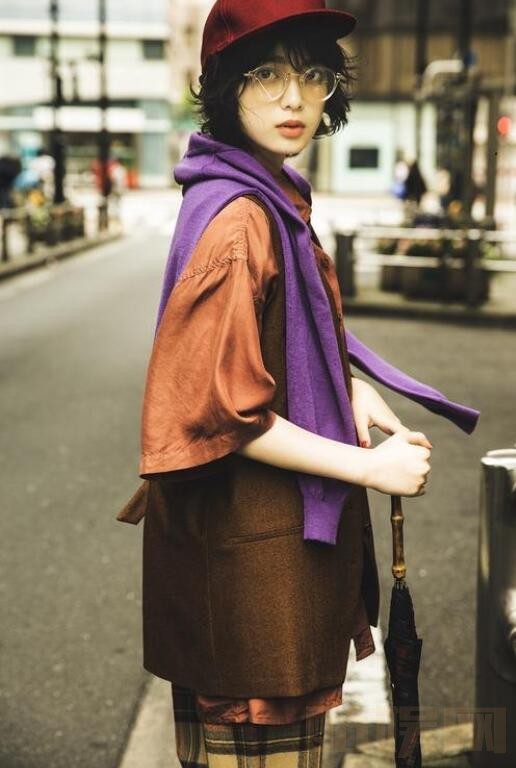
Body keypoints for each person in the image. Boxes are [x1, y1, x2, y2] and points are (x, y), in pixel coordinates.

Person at [117, 2, 480, 766]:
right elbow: (221, 410)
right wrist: (369, 468)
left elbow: (268, 338)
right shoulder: (242, 220)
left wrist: (344, 385)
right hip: (252, 587)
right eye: (267, 74)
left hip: (253, 571)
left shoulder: (255, 191)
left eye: (312, 74)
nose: (294, 97)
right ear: (226, 85)